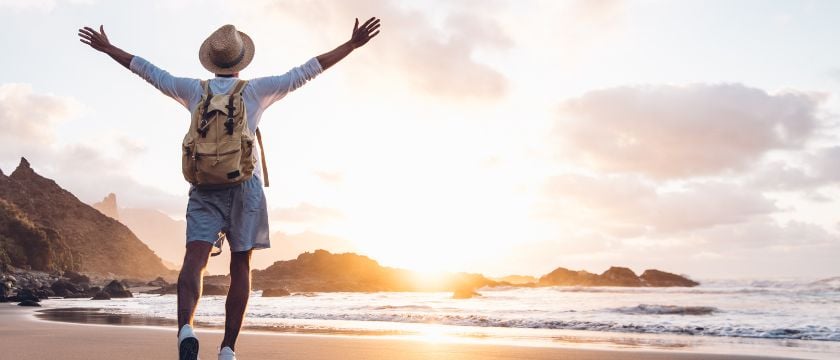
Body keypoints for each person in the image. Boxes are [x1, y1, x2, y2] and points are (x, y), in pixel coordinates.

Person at [78, 18, 380, 360]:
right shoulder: (255, 91)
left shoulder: (194, 90)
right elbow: (307, 70)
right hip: (244, 187)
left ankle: (186, 330)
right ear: (240, 62)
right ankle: (227, 350)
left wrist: (108, 49)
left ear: (212, 61)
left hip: (204, 186)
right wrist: (350, 45)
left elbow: (149, 71)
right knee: (240, 265)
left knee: (195, 260)